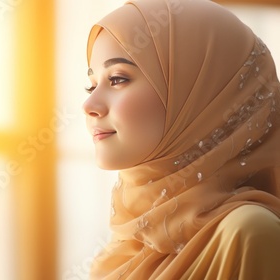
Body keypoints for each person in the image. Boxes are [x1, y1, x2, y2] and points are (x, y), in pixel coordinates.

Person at [83, 0, 280, 279]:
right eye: (91, 84)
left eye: (117, 79)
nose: (89, 103)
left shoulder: (248, 234)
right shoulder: (129, 243)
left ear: (200, 93)